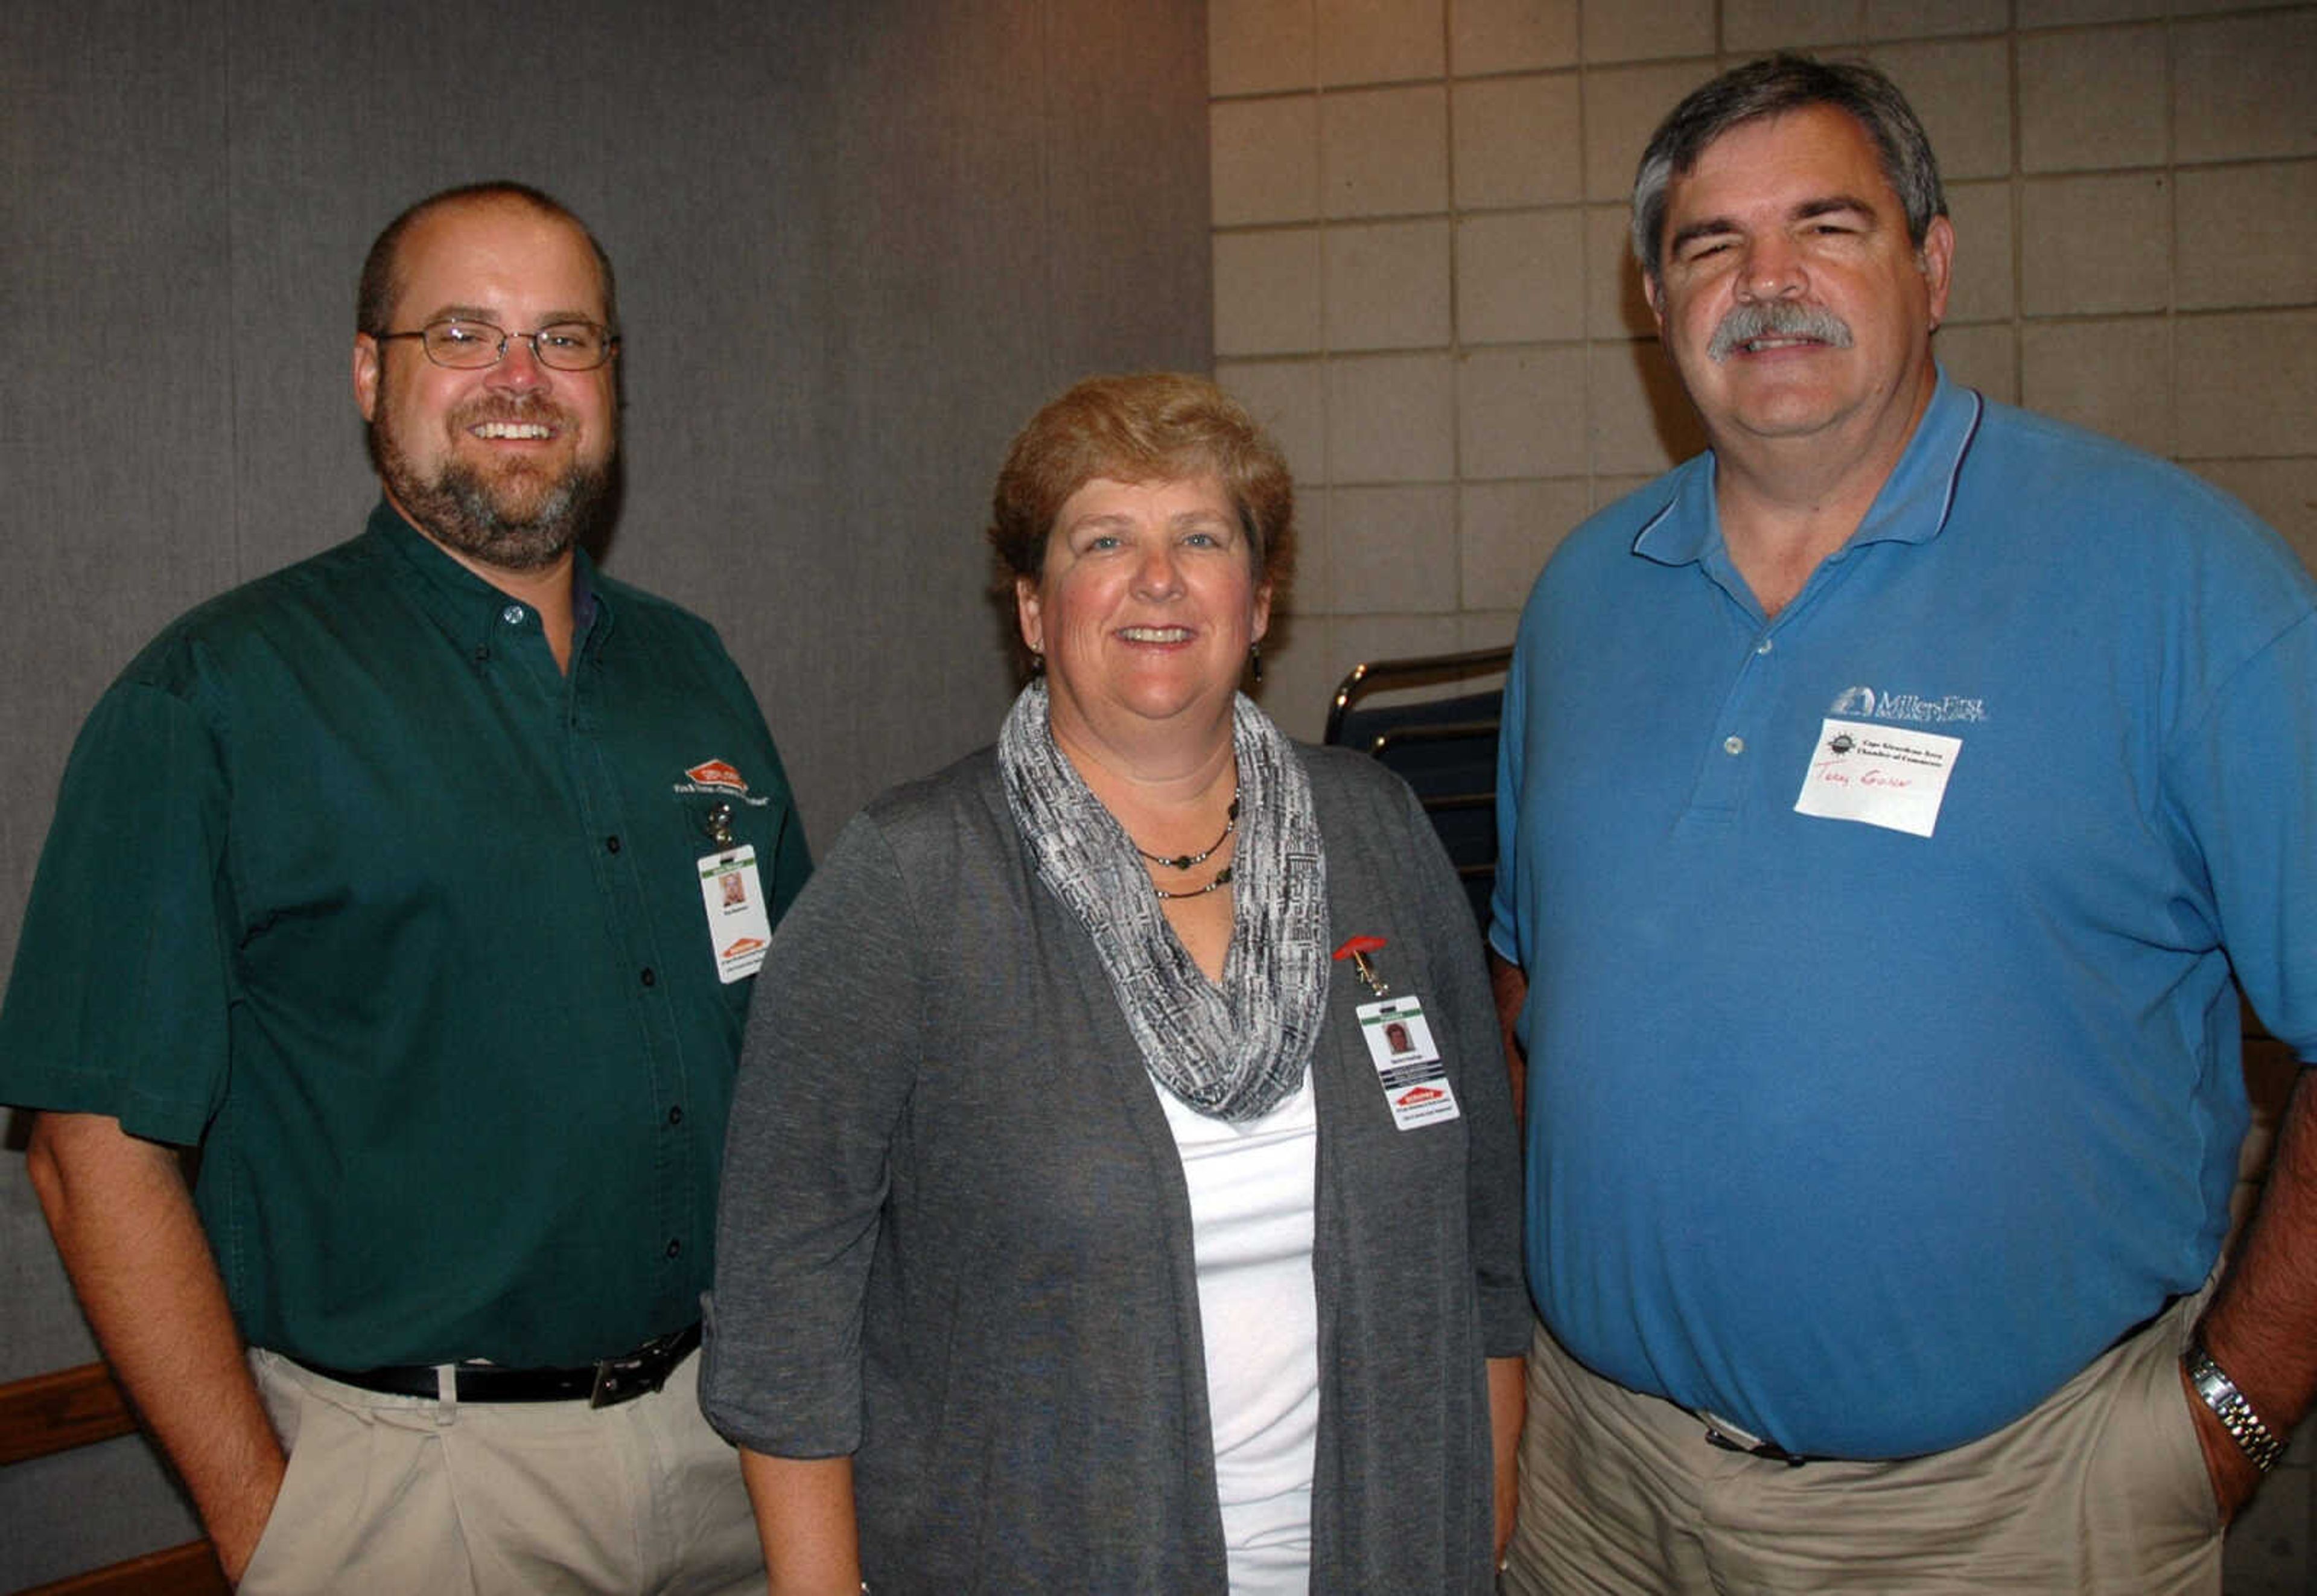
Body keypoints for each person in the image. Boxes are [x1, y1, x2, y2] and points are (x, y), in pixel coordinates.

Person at [1487, 54, 2317, 1593]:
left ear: (1932, 265)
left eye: (1829, 227)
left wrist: (2234, 1417)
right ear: (1654, 300)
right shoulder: (1583, 598)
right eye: (1711, 244)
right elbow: (1535, 986)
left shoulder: (2184, 584)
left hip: (2006, 1515)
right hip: (1599, 1490)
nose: (1770, 282)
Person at [0, 181, 808, 1594]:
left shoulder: (694, 673)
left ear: (612, 381)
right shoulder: (217, 697)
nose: (521, 379)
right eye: (464, 333)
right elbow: (91, 1154)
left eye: (566, 338)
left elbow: (796, 1039)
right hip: (420, 1490)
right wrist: (274, 1528)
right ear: (371, 371)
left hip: (732, 1444)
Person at [699, 372, 1528, 1594]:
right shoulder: (912, 882)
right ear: (1034, 610)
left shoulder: (1379, 835)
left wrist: (1485, 1501)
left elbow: (1483, 1230)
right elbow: (786, 1296)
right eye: (1106, 541)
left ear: (1258, 600)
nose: (1158, 578)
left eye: (1202, 538)